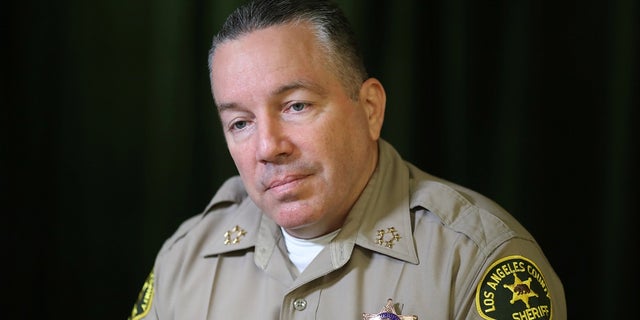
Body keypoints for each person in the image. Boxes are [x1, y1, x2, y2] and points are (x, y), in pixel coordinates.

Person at [128, 0, 567, 319]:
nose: (268, 147)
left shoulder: (476, 264)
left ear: (370, 108)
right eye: (240, 123)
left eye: (295, 106)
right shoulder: (186, 259)